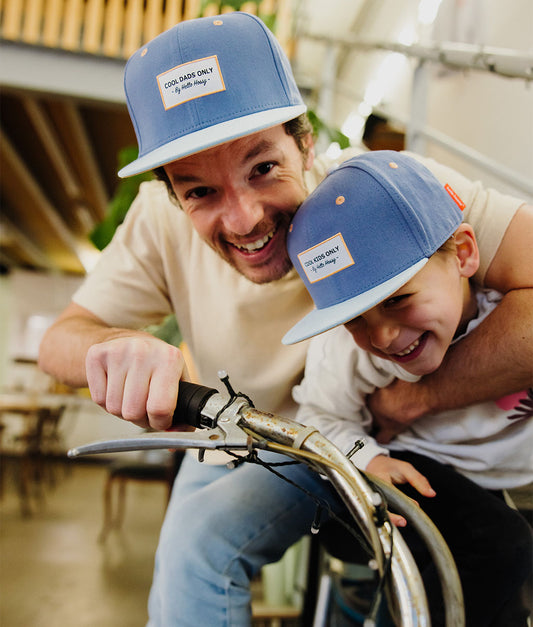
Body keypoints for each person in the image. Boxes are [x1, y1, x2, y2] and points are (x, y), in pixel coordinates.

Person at [37, 12, 533, 626]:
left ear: (306, 142)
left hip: (360, 438)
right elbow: (60, 340)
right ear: (170, 194)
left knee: (205, 550)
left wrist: (418, 399)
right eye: (199, 191)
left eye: (263, 167)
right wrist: (114, 345)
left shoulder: (380, 195)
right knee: (185, 567)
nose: (244, 219)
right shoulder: (157, 223)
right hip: (236, 432)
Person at [282, 150, 533, 625]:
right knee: (500, 549)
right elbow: (317, 417)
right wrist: (370, 459)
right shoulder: (347, 351)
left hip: (509, 480)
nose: (382, 337)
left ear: (463, 254)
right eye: (356, 319)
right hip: (421, 470)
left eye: (398, 300)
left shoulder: (509, 308)